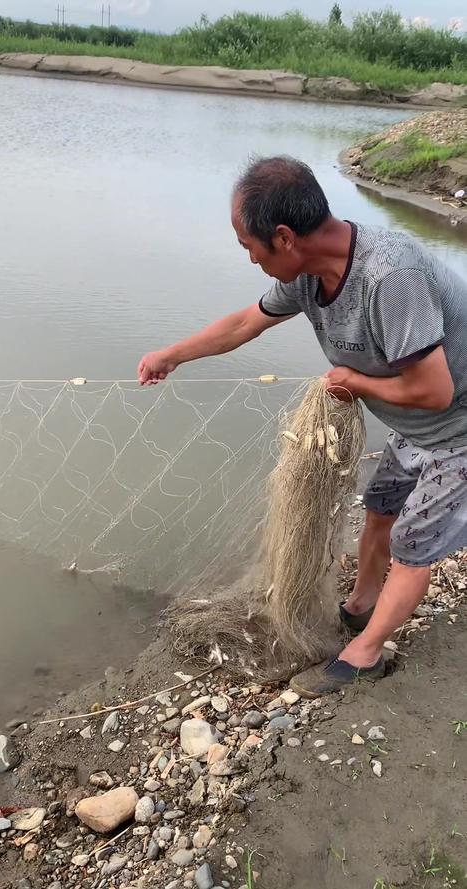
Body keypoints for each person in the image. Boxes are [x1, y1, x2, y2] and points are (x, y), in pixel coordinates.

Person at [138, 155, 467, 697]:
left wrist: (356, 383)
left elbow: (436, 391)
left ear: (285, 237)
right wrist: (172, 355)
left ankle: (364, 656)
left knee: (414, 543)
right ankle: (362, 604)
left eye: (250, 248)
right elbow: (247, 321)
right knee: (382, 506)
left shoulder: (390, 277)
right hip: (416, 425)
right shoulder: (311, 274)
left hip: (457, 427)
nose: (250, 260)